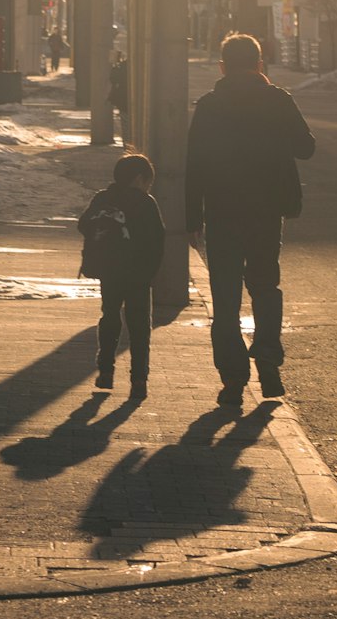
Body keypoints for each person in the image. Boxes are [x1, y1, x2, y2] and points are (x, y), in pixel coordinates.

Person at [184, 31, 315, 409]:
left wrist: (192, 218)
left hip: (222, 212)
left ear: (223, 66)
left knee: (225, 298)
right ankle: (269, 362)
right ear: (260, 65)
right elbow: (306, 148)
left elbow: (195, 164)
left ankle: (232, 380)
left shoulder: (210, 105)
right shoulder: (277, 100)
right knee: (265, 286)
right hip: (267, 210)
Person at [77, 152, 164, 399]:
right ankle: (138, 380)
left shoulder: (104, 198)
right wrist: (152, 272)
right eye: (148, 182)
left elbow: (83, 224)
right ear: (139, 179)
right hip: (138, 275)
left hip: (109, 271)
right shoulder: (146, 203)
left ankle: (105, 371)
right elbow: (158, 239)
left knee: (110, 317)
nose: (148, 187)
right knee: (139, 328)